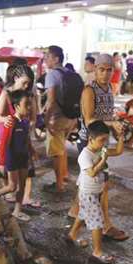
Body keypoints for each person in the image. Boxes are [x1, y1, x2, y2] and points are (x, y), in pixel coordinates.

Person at [73, 53, 127, 241]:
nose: (105, 73)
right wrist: (112, 123)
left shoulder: (109, 88)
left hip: (101, 141)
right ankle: (105, 225)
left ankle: (75, 217)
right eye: (101, 69)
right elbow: (88, 120)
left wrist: (115, 125)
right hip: (89, 143)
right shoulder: (89, 90)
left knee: (89, 183)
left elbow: (106, 116)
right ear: (95, 70)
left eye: (109, 70)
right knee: (100, 184)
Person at [67, 120, 124, 263]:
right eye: (102, 140)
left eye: (106, 139)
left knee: (83, 214)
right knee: (97, 221)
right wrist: (102, 159)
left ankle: (72, 235)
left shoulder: (100, 150)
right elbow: (91, 172)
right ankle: (97, 251)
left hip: (95, 191)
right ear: (90, 139)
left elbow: (118, 151)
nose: (104, 143)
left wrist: (121, 137)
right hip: (88, 192)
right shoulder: (84, 155)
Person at [0, 64, 40, 208]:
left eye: (29, 83)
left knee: (23, 170)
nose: (26, 86)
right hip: (7, 131)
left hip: (22, 132)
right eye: (24, 82)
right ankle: (6, 192)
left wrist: (30, 124)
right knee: (6, 167)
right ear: (15, 78)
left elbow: (33, 114)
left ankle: (19, 200)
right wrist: (5, 119)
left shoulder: (28, 94)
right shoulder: (7, 93)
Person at [0, 90, 36, 222]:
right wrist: (1, 162)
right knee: (12, 186)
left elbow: (27, 138)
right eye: (26, 104)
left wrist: (32, 151)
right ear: (16, 106)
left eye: (30, 104)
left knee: (22, 186)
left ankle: (17, 211)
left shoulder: (25, 122)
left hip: (23, 157)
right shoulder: (10, 121)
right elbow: (3, 142)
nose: (29, 108)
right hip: (11, 158)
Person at [43, 45, 79, 193]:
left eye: (48, 57)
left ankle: (58, 185)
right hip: (70, 117)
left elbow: (51, 101)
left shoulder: (51, 75)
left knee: (56, 153)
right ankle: (64, 176)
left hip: (56, 120)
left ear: (56, 58)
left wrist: (46, 121)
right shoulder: (69, 73)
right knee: (61, 148)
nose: (45, 60)